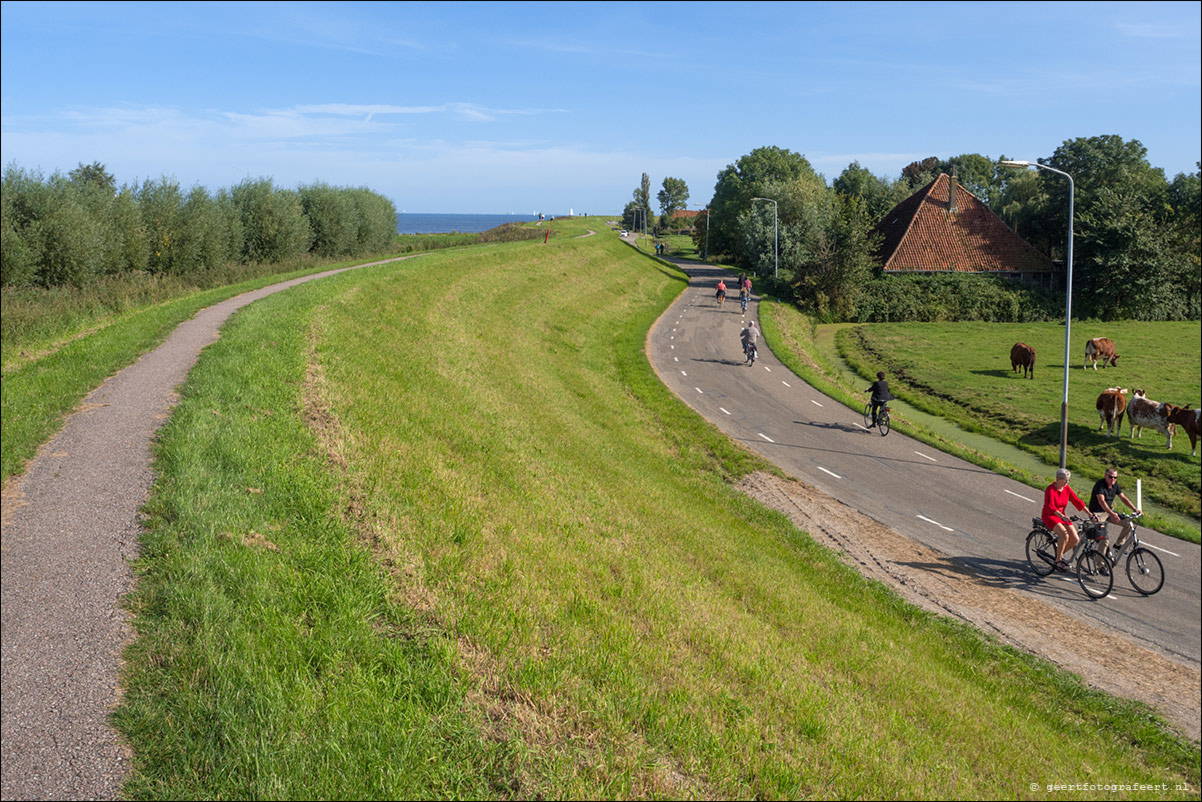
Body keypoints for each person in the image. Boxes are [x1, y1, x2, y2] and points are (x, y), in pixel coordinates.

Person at [1042, 468, 1097, 572]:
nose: (1067, 482)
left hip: (1062, 516)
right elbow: (1051, 507)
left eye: (1068, 480)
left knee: (1075, 539)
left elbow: (1077, 501)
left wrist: (1090, 514)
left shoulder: (1067, 489)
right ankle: (1058, 561)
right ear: (1058, 479)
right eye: (1065, 480)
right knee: (1064, 534)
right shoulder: (1050, 490)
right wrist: (1062, 516)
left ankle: (1059, 553)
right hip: (1050, 516)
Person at [1088, 468, 1141, 551]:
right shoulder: (1100, 485)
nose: (1113, 479)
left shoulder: (1115, 485)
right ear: (1105, 476)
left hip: (1108, 511)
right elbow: (1102, 502)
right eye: (1110, 477)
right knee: (1104, 540)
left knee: (1128, 524)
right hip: (1097, 513)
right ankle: (1100, 564)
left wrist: (1135, 509)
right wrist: (1112, 513)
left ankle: (1118, 545)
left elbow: (1123, 498)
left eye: (1115, 477)